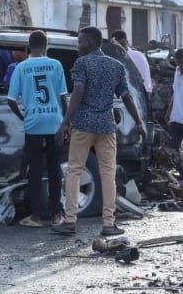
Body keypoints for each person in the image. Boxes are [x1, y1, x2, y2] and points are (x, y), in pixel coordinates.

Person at [52, 27, 145, 237]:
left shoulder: (82, 64)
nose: (78, 47)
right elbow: (126, 96)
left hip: (83, 124)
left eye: (80, 42)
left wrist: (65, 123)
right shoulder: (116, 66)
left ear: (91, 43)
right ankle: (108, 224)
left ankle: (70, 221)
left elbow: (78, 92)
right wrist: (138, 122)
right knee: (107, 175)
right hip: (106, 126)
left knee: (74, 171)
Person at [7, 31, 67, 228]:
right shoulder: (56, 65)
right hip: (55, 122)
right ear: (46, 44)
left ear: (28, 46)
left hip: (34, 123)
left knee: (34, 169)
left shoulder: (21, 67)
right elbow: (63, 97)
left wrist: (24, 117)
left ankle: (36, 216)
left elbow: (10, 100)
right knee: (54, 168)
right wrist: (65, 123)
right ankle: (57, 213)